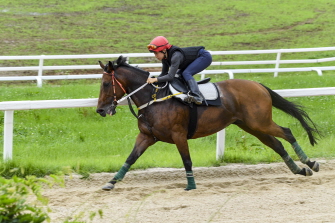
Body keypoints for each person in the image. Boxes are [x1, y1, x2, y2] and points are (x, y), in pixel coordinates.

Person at [146, 36, 212, 105]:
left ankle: (196, 96)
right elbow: (164, 74)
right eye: (154, 53)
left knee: (186, 73)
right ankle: (188, 93)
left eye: (156, 53)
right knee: (178, 75)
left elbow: (170, 76)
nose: (155, 56)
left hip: (204, 57)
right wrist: (154, 83)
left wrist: (155, 79)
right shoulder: (165, 58)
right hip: (194, 59)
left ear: (164, 50)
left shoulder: (176, 56)